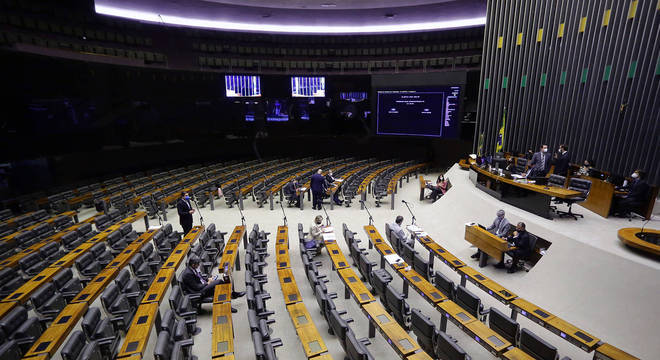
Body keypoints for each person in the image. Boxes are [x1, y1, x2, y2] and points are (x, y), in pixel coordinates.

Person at [180, 256, 245, 313]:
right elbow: (196, 287)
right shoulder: (188, 274)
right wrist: (207, 283)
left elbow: (200, 277)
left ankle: (230, 303)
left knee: (220, 289)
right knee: (219, 282)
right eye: (198, 264)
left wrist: (208, 279)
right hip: (199, 291)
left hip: (202, 286)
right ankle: (233, 295)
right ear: (193, 264)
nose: (199, 265)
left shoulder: (193, 268)